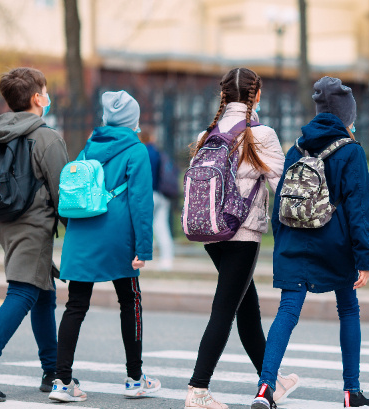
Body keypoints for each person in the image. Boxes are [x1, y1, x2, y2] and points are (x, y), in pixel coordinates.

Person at [251, 76, 369, 409]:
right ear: (347, 117)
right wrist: (364, 257)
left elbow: (281, 199)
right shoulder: (351, 152)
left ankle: (265, 387)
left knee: (287, 311)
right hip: (335, 244)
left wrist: (284, 245)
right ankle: (352, 391)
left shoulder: (297, 147)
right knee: (348, 309)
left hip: (294, 241)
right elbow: (359, 207)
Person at [183, 68, 297, 409]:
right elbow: (284, 189)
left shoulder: (207, 134)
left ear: (223, 97)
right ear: (256, 95)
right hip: (242, 234)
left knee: (247, 308)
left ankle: (271, 381)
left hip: (211, 233)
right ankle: (197, 389)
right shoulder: (261, 135)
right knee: (225, 310)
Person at [48, 90, 160, 402]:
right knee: (130, 301)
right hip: (117, 239)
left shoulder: (88, 146)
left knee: (75, 306)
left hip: (82, 235)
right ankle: (135, 378)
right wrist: (144, 248)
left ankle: (61, 381)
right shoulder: (136, 151)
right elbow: (141, 203)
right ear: (133, 121)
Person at [0, 67, 68, 402]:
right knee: (24, 291)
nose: (48, 96)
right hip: (33, 226)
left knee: (43, 293)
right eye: (46, 91)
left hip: (6, 224)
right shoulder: (47, 138)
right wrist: (81, 237)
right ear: (38, 98)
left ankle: (52, 369)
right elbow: (63, 195)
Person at [140, 129, 175, 271]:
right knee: (162, 227)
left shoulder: (143, 153)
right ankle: (167, 260)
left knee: (139, 227)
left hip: (148, 195)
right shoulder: (159, 153)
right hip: (162, 195)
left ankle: (139, 258)